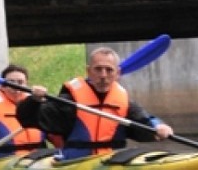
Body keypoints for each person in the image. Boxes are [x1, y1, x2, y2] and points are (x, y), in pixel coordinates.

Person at [16, 46, 174, 160]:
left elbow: (144, 121)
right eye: (98, 69)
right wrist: (33, 101)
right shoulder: (69, 101)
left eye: (109, 70)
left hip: (112, 162)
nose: (103, 75)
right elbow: (28, 119)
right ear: (88, 71)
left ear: (117, 73)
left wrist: (158, 126)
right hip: (75, 164)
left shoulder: (124, 102)